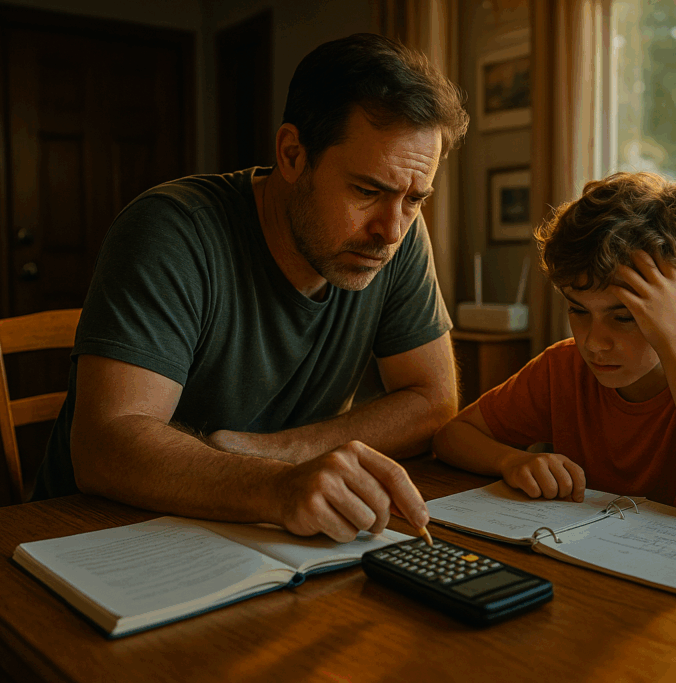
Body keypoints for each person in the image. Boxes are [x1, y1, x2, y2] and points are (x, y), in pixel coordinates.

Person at [32, 33, 470, 542]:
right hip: (96, 536)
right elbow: (105, 446)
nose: (391, 230)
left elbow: (433, 401)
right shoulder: (172, 230)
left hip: (264, 538)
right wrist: (279, 488)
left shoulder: (398, 234)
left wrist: (282, 455)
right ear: (291, 154)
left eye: (416, 198)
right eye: (367, 191)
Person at [433, 172, 676, 524]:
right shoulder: (563, 366)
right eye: (579, 311)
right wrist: (510, 460)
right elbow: (452, 437)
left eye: (625, 317)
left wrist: (675, 340)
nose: (594, 343)